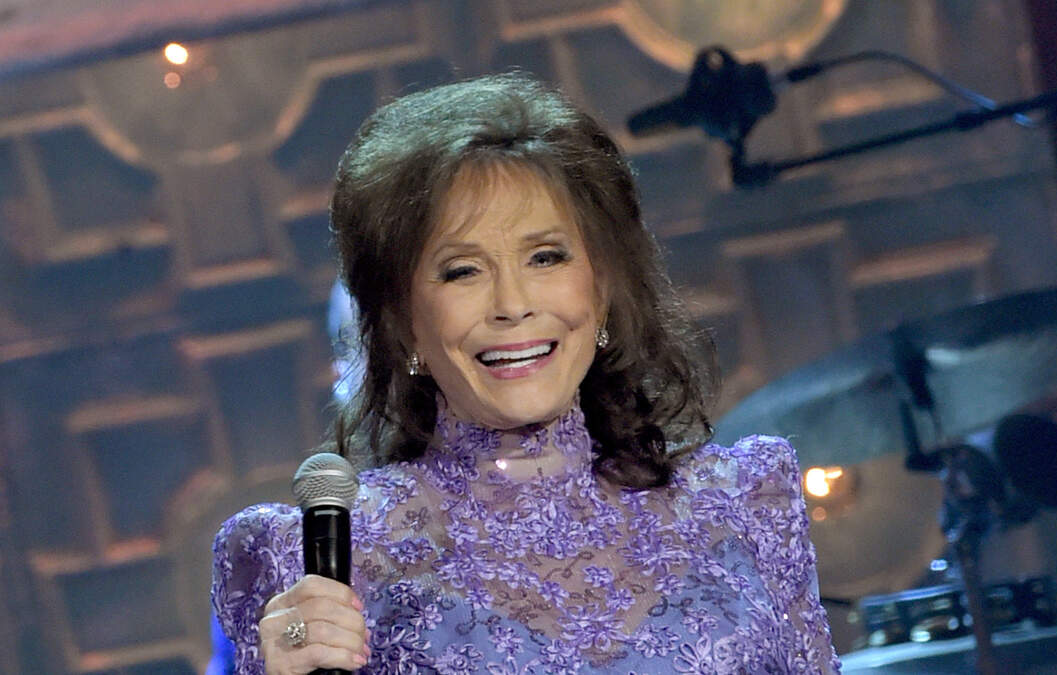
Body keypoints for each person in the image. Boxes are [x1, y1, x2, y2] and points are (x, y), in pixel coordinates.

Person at [212, 72, 840, 674]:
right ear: (402, 322)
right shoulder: (325, 555)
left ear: (601, 288)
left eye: (545, 257)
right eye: (462, 271)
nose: (513, 305)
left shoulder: (744, 501)